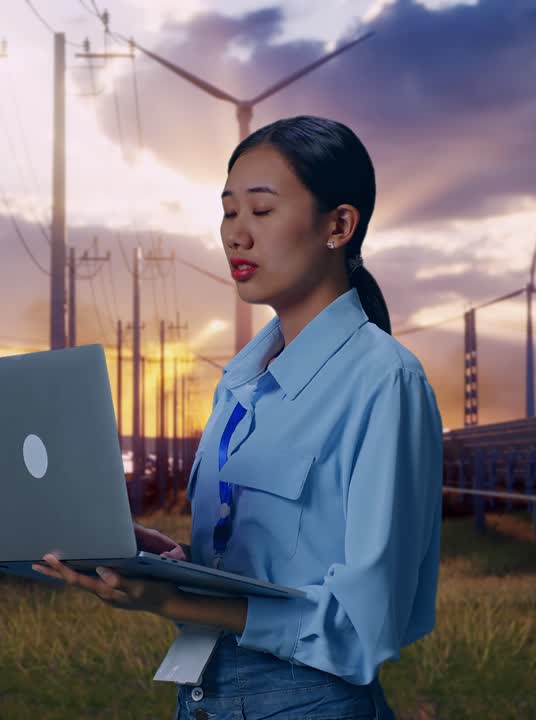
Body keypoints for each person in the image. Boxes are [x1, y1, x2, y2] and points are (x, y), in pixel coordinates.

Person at [33, 115, 443, 720]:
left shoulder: (386, 382)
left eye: (261, 211)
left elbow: (362, 628)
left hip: (309, 704)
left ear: (339, 225)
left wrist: (173, 602)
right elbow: (262, 568)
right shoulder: (240, 382)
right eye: (228, 212)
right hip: (203, 695)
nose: (236, 235)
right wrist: (167, 564)